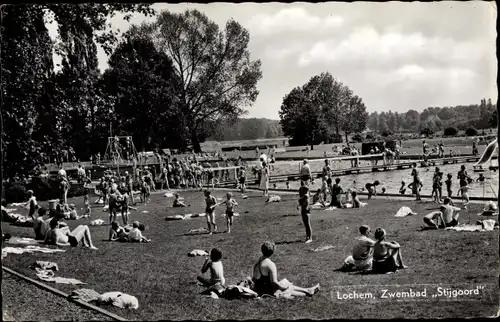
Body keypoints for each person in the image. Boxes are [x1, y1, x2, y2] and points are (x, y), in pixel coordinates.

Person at [251, 242, 320, 297]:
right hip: (266, 291)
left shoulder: (258, 262)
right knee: (288, 287)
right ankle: (307, 293)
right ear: (272, 252)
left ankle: (308, 290)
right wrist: (282, 287)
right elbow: (273, 282)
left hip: (258, 288)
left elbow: (254, 278)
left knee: (287, 284)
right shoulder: (270, 264)